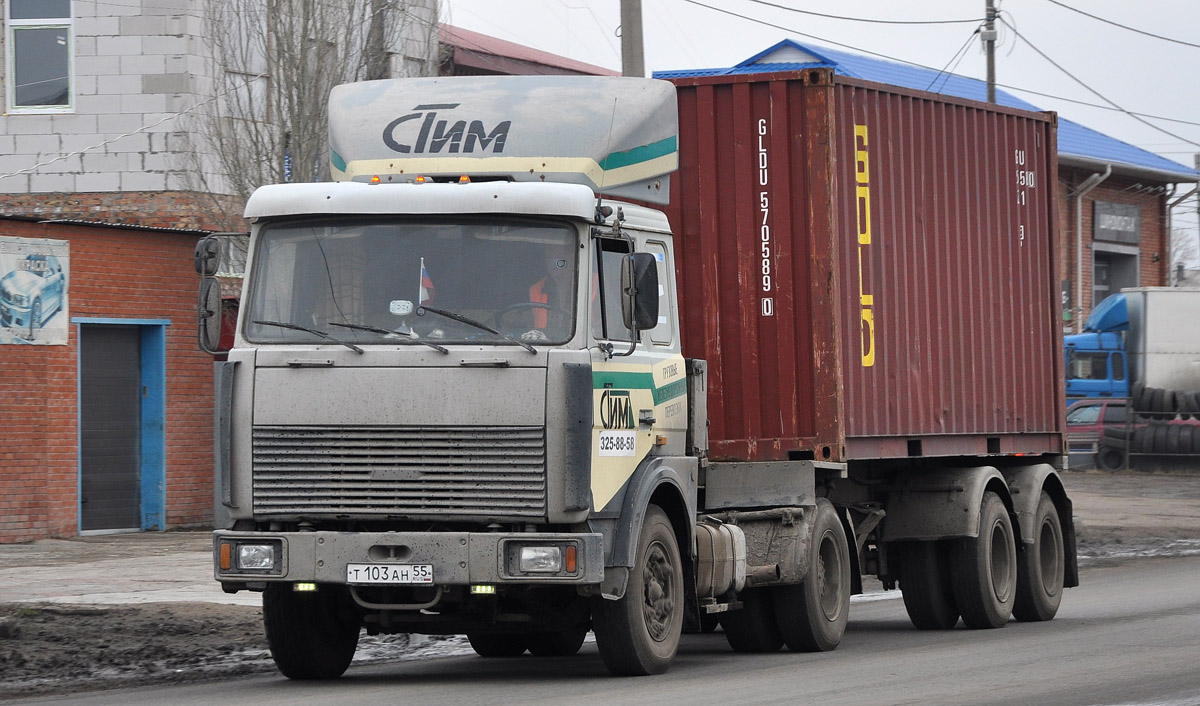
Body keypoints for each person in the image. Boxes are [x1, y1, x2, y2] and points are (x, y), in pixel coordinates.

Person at [523, 240, 576, 339]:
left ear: (573, 259)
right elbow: (528, 325)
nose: (553, 266)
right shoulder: (536, 289)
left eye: (559, 259)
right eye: (549, 259)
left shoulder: (593, 284)